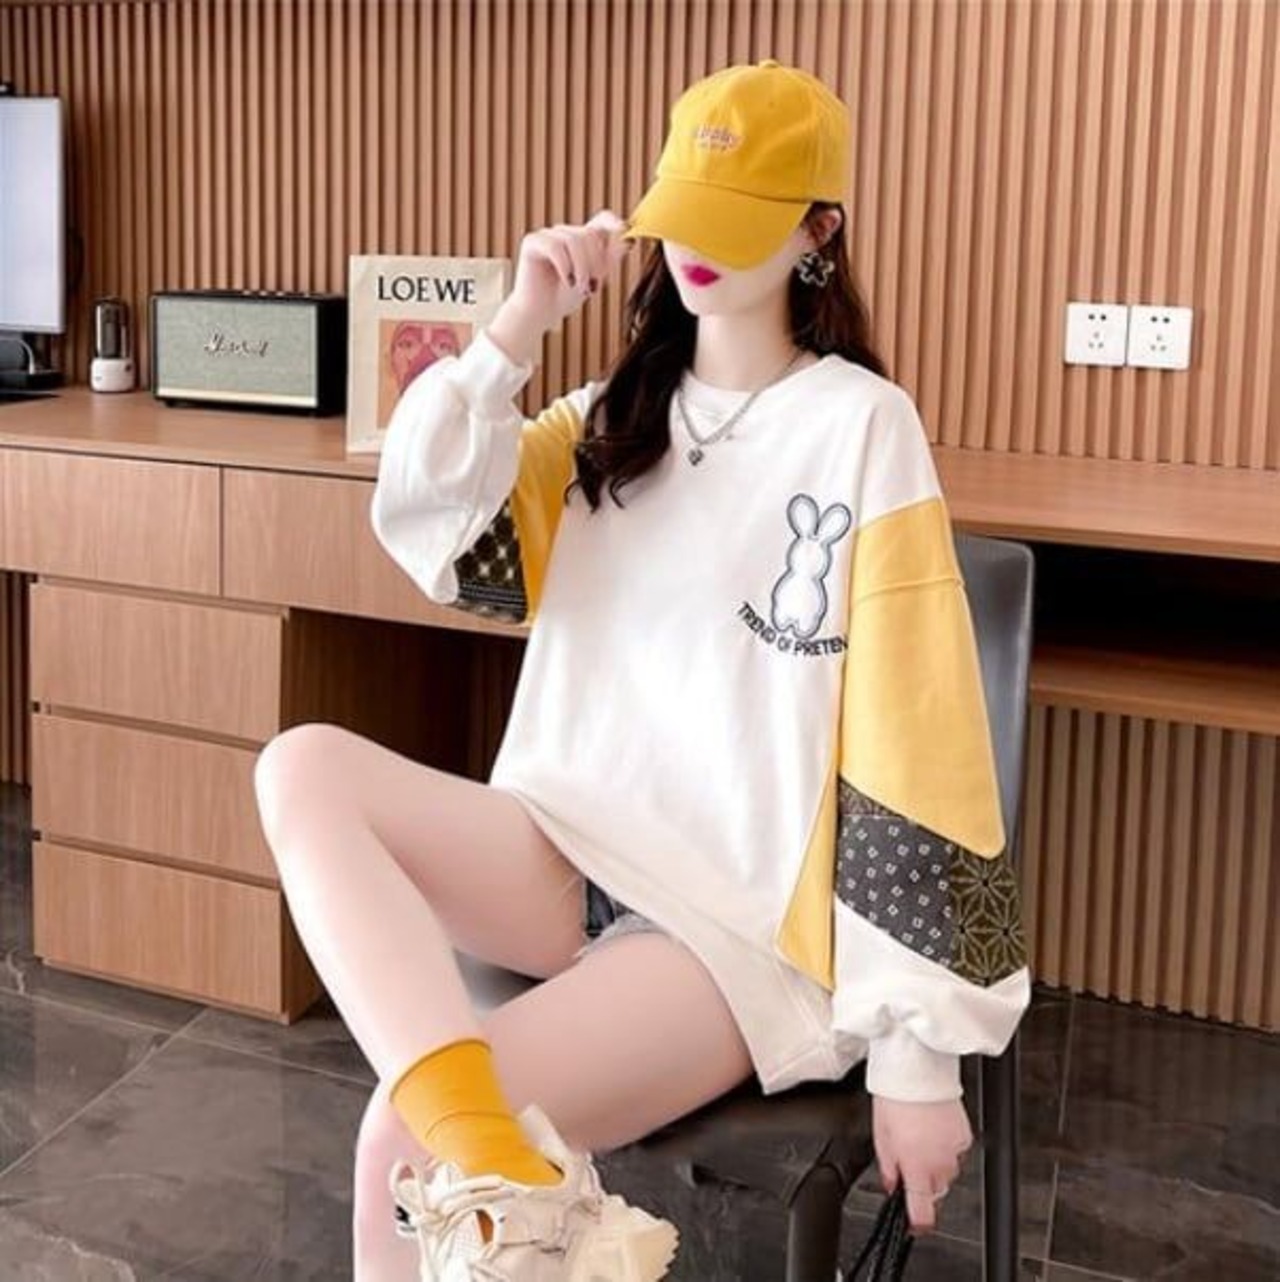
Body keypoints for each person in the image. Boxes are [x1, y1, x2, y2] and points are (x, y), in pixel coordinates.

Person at [253, 59, 1032, 1282]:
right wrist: (514, 327)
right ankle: (504, 1174)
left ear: (817, 232)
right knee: (301, 764)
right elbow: (433, 535)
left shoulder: (859, 426)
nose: (696, 250)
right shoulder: (611, 417)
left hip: (722, 918)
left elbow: (914, 733)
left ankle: (486, 1172)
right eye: (683, 217)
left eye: (738, 221)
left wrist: (916, 1057)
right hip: (564, 843)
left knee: (398, 1143)